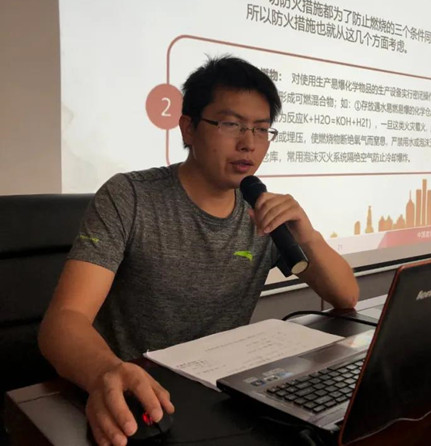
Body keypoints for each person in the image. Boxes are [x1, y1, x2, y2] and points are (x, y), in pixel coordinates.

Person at [38, 56, 359, 446]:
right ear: (188, 128)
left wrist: (308, 235)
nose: (248, 143)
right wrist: (106, 372)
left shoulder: (262, 212)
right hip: (136, 398)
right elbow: (63, 322)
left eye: (261, 129)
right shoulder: (130, 198)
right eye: (231, 125)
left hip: (219, 400)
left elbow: (346, 296)